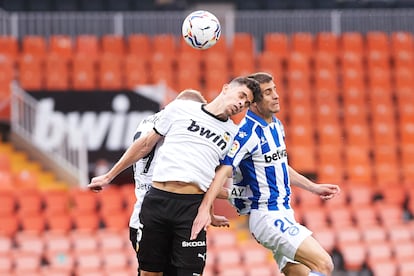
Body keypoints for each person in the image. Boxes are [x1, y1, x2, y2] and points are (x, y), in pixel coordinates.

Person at [88, 76, 261, 276]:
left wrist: (210, 212)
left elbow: (214, 177)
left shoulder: (233, 134)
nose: (241, 104)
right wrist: (109, 176)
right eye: (241, 96)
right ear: (225, 89)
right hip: (158, 200)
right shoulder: (180, 109)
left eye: (246, 103)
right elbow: (145, 144)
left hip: (191, 208)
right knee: (149, 273)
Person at [191, 72, 340, 276]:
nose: (276, 96)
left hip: (284, 212)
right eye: (268, 93)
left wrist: (313, 187)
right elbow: (224, 171)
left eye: (275, 89)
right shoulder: (246, 133)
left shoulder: (276, 125)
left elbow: (279, 166)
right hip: (267, 216)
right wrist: (205, 210)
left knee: (301, 273)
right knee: (324, 264)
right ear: (254, 103)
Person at [128, 89, 230, 275]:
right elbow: (195, 180)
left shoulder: (147, 124)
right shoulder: (180, 130)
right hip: (166, 210)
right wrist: (233, 194)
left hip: (141, 216)